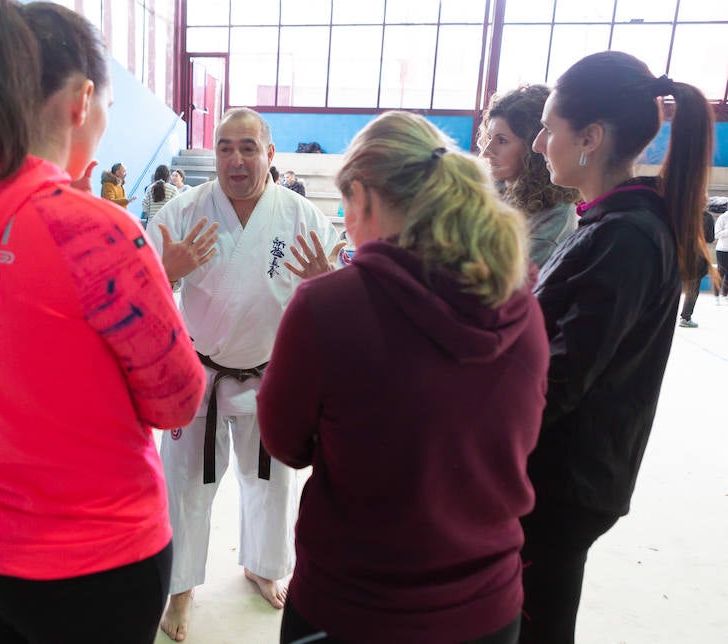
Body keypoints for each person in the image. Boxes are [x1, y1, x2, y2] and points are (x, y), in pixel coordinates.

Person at [0, 1, 205, 642]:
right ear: (81, 100)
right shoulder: (94, 232)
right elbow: (178, 400)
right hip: (95, 559)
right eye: (108, 110)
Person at [258, 111, 548, 644]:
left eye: (346, 206)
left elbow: (285, 443)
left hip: (356, 607)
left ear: (364, 197)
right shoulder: (520, 303)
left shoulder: (327, 307)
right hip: (488, 606)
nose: (346, 222)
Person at [523, 51, 713, 643]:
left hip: (562, 479)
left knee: (537, 624)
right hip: (563, 472)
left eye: (548, 128)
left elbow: (560, 378)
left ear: (590, 138)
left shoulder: (626, 236)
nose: (537, 145)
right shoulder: (608, 222)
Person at [146, 107, 340, 642]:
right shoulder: (183, 211)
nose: (235, 159)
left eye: (248, 147)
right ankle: (180, 589)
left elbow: (335, 299)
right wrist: (166, 272)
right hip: (199, 376)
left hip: (270, 376)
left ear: (270, 154)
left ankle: (262, 565)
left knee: (272, 481)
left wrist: (326, 283)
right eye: (225, 147)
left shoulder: (301, 216)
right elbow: (137, 294)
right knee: (184, 486)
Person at [480, 84, 579, 268]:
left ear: (533, 147)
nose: (486, 151)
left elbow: (507, 285)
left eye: (502, 140)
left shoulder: (554, 218)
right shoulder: (493, 188)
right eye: (489, 138)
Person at [678, 209, 715, 327]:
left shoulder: (683, 213)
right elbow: (710, 238)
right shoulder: (707, 217)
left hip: (680, 252)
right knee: (693, 289)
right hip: (697, 254)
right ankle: (686, 317)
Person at [716, 211, 728, 304]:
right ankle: (716, 296)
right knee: (720, 273)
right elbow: (716, 235)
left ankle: (725, 295)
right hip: (722, 250)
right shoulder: (722, 218)